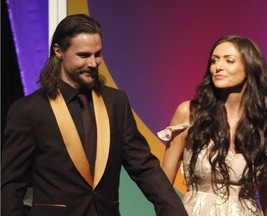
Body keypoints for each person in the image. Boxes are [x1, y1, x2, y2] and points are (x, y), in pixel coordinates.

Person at [1, 14, 188, 216]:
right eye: (84, 55)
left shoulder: (115, 102)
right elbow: (11, 183)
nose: (93, 63)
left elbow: (143, 166)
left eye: (97, 54)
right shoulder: (29, 110)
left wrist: (174, 211)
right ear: (58, 51)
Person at [157, 35, 267, 216]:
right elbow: (162, 188)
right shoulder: (190, 114)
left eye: (229, 60)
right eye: (214, 61)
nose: (218, 67)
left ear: (250, 68)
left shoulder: (261, 123)